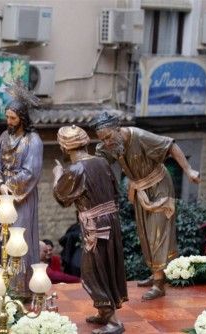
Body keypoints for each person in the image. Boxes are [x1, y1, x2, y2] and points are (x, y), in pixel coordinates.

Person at [90, 112, 201, 301]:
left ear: (118, 128)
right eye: (102, 139)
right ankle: (157, 273)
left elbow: (171, 145)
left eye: (108, 137)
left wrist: (188, 170)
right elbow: (99, 161)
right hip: (140, 189)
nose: (106, 142)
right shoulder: (111, 144)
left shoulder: (139, 136)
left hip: (159, 187)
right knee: (145, 234)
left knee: (157, 233)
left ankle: (159, 285)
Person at [53, 125, 127, 334]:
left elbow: (62, 198)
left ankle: (114, 322)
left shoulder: (76, 170)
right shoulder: (101, 162)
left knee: (93, 271)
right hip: (110, 221)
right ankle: (104, 312)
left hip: (94, 225)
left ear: (65, 147)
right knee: (108, 265)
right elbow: (115, 190)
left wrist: (58, 175)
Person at [0, 79, 43, 298]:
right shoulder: (3, 137)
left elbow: (31, 172)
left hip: (22, 198)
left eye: (12, 118)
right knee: (2, 239)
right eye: (7, 117)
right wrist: (0, 184)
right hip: (4, 195)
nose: (8, 121)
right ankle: (3, 285)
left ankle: (19, 290)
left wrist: (9, 188)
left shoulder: (33, 140)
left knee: (18, 239)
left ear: (22, 119)